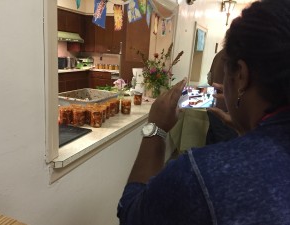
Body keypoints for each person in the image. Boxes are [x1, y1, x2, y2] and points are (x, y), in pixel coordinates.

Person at [117, 0, 290, 224]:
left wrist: (156, 130)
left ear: (241, 76)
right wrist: (249, 132)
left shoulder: (200, 173)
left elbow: (132, 215)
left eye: (224, 75)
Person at [206, 49, 238, 145]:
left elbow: (209, 80)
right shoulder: (236, 55)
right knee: (225, 146)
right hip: (227, 110)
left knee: (211, 142)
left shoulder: (219, 54)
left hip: (213, 106)